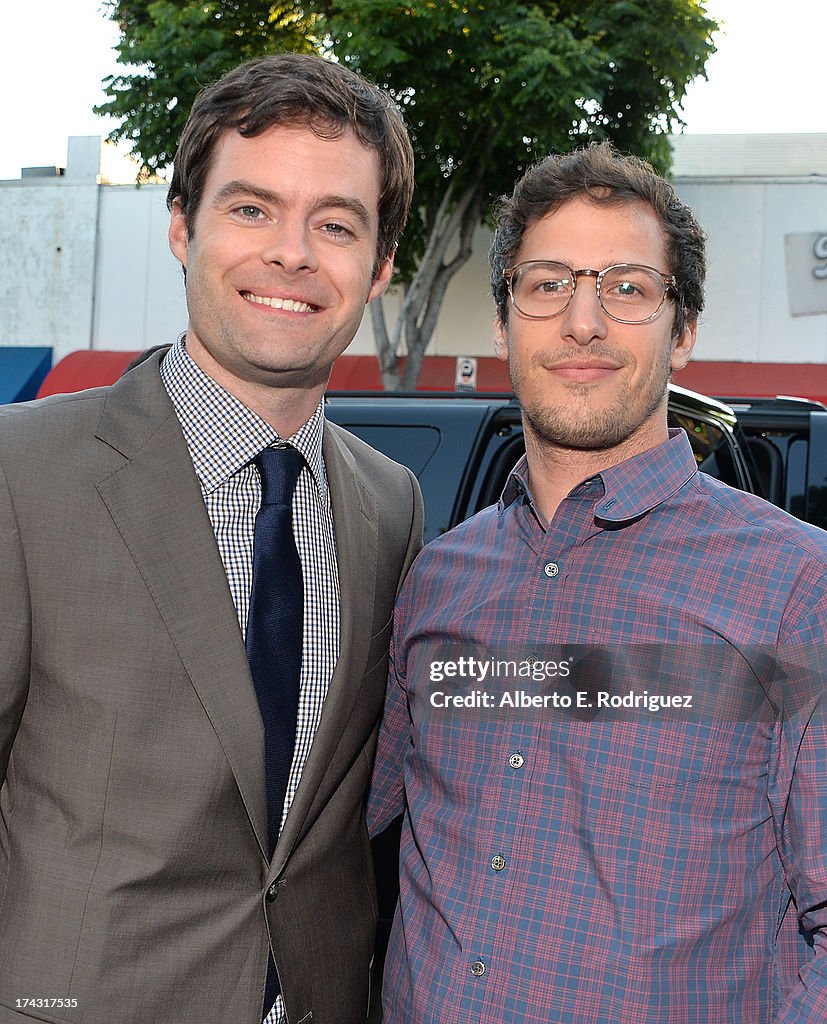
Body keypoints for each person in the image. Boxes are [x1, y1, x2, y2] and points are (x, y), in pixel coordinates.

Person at [0, 53, 423, 1024]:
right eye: (250, 208)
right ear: (183, 226)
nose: (291, 252)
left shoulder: (389, 504)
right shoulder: (21, 472)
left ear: (379, 265)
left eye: (336, 224)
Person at [368, 142, 827, 1023]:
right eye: (546, 284)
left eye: (626, 287)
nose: (582, 322)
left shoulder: (795, 586)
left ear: (682, 328)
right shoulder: (438, 579)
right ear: (503, 324)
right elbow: (330, 830)